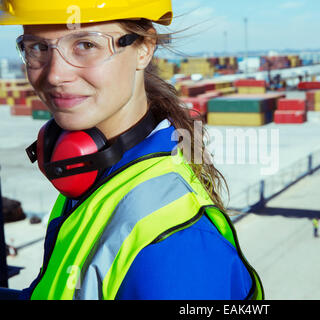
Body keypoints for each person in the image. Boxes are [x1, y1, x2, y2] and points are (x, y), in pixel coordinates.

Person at [0, 0, 263, 300]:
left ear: (144, 48)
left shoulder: (174, 248)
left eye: (85, 45)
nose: (55, 75)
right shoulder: (100, 175)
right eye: (38, 48)